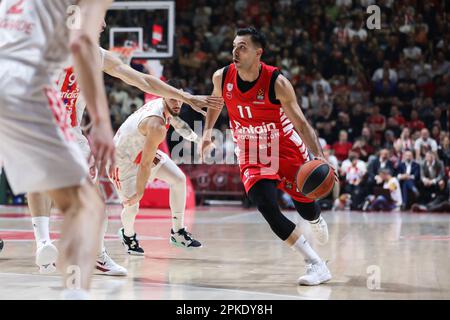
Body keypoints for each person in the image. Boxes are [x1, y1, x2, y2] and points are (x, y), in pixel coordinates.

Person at [26, 22, 222, 274]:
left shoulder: (96, 54)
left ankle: (97, 255)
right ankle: (43, 243)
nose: (104, 24)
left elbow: (141, 79)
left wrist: (186, 97)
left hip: (72, 133)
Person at [0, 0, 115, 299]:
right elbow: (81, 44)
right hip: (25, 86)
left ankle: (44, 246)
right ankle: (75, 292)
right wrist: (101, 121)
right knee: (87, 207)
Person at [201, 28, 334, 286]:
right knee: (266, 205)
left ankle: (315, 217)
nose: (235, 52)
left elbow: (302, 124)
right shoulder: (222, 76)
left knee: (305, 205)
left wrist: (319, 157)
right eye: (234, 46)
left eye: (242, 47)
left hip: (284, 148)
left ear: (258, 53)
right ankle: (315, 264)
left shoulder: (277, 82)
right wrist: (207, 132)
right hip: (250, 150)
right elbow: (215, 103)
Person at [109, 79, 203, 255]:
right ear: (164, 97)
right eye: (173, 99)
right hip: (121, 162)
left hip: (139, 152)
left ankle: (178, 232)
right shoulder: (156, 124)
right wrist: (140, 192)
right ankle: (128, 235)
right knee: (132, 205)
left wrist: (199, 140)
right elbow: (145, 163)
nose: (177, 103)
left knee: (179, 179)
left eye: (179, 98)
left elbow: (178, 124)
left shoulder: (163, 105)